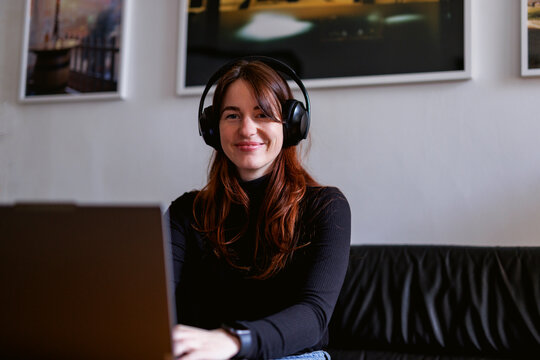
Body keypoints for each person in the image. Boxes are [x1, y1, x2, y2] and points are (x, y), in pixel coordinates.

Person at [165, 56, 351, 360]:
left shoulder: (327, 206)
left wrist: (234, 341)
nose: (247, 129)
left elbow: (313, 316)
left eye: (262, 114)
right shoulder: (186, 212)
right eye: (232, 116)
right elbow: (153, 304)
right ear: (213, 129)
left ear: (290, 125)